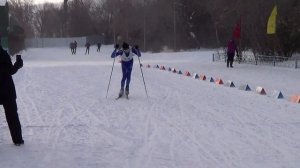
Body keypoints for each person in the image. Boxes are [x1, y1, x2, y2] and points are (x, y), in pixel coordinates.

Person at [0, 44, 24, 146]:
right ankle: (17, 140)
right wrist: (18, 64)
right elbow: (10, 70)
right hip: (7, 91)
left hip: (7, 91)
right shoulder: (3, 54)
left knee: (12, 116)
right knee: (12, 116)